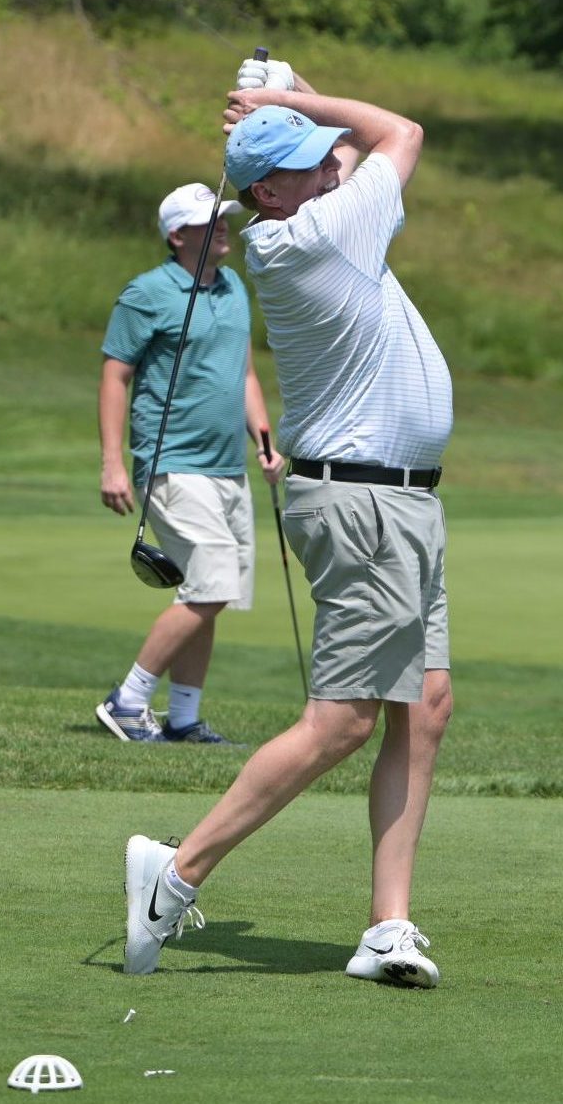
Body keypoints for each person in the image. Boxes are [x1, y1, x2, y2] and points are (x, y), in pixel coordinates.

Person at [122, 57, 455, 988]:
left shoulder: (306, 215)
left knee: (421, 709)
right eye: (309, 162)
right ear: (270, 190)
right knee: (343, 721)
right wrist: (290, 102)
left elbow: (347, 152)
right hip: (365, 504)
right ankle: (176, 875)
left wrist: (284, 95)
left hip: (400, 500)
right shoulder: (312, 236)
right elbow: (399, 133)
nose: (331, 166)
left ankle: (388, 926)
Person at [97, 183, 286, 744]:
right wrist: (113, 463)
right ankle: (127, 700)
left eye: (224, 218)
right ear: (178, 236)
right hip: (172, 461)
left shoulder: (232, 289)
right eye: (209, 222)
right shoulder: (147, 293)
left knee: (211, 593)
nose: (223, 226)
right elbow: (115, 376)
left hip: (228, 466)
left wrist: (264, 438)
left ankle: (183, 718)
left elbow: (245, 373)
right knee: (208, 585)